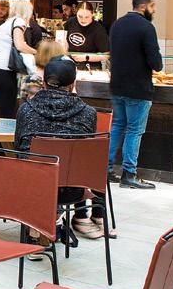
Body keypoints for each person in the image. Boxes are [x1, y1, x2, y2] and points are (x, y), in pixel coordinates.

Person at [14, 56, 105, 240]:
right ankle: (54, 223)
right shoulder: (88, 113)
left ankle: (38, 229)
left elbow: (18, 149)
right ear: (72, 85)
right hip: (72, 190)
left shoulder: (26, 109)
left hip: (31, 186)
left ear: (44, 82)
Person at [108, 0, 161, 190]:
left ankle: (105, 170)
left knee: (117, 127)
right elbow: (156, 63)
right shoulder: (146, 27)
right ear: (143, 6)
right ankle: (129, 174)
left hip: (117, 86)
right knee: (134, 130)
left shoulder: (117, 24)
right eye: (152, 6)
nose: (154, 10)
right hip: (138, 88)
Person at [0, 0, 37, 119]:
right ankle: (5, 133)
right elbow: (19, 45)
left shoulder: (5, 24)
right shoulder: (19, 21)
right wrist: (37, 53)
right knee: (7, 116)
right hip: (4, 71)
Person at [65, 1, 109, 67]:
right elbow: (64, 41)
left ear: (92, 14)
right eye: (80, 16)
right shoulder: (70, 23)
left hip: (90, 67)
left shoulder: (98, 29)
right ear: (76, 13)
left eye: (87, 17)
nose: (83, 20)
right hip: (69, 65)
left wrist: (86, 57)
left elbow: (107, 55)